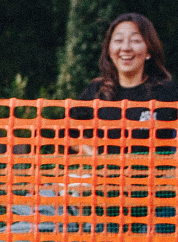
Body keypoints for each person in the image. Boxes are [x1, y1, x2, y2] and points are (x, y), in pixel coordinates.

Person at [73, 13, 178, 148]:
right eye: (118, 40)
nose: (126, 48)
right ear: (109, 50)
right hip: (106, 169)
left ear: (148, 51)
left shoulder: (167, 92)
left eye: (135, 40)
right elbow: (67, 130)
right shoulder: (97, 90)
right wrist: (93, 155)